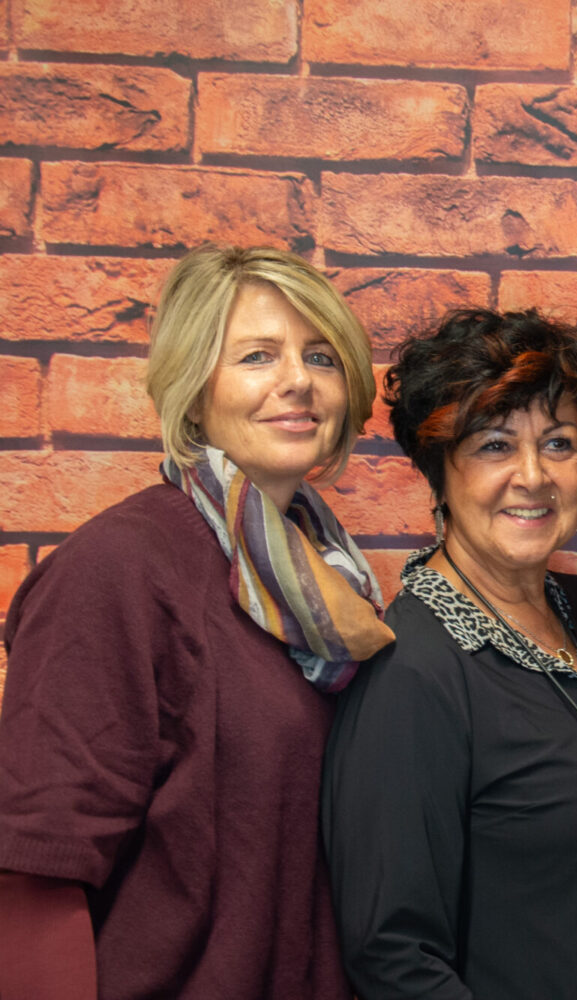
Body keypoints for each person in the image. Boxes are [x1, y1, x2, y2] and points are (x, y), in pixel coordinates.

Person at [0, 245, 389, 1000]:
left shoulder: (336, 585)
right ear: (194, 389)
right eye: (256, 355)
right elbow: (36, 877)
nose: (298, 380)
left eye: (320, 356)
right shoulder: (118, 567)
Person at [322, 308, 577, 999]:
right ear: (439, 471)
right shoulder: (413, 672)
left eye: (558, 443)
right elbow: (392, 957)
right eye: (494, 445)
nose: (533, 476)